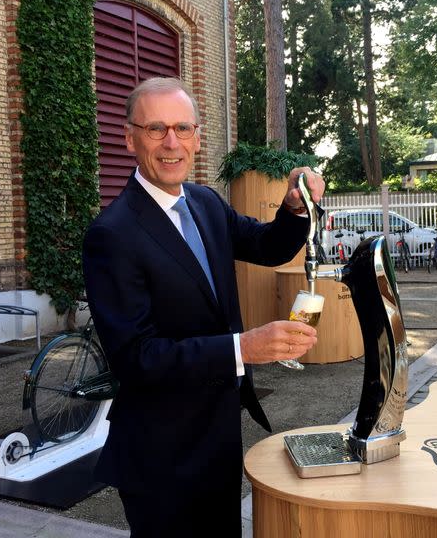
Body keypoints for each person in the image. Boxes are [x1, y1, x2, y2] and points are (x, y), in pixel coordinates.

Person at [82, 76, 325, 537]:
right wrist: (242, 348)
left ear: (197, 136)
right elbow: (136, 358)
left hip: (217, 435)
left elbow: (267, 246)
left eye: (182, 128)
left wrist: (294, 209)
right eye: (156, 129)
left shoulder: (205, 202)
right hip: (161, 453)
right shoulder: (112, 235)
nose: (171, 143)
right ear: (128, 137)